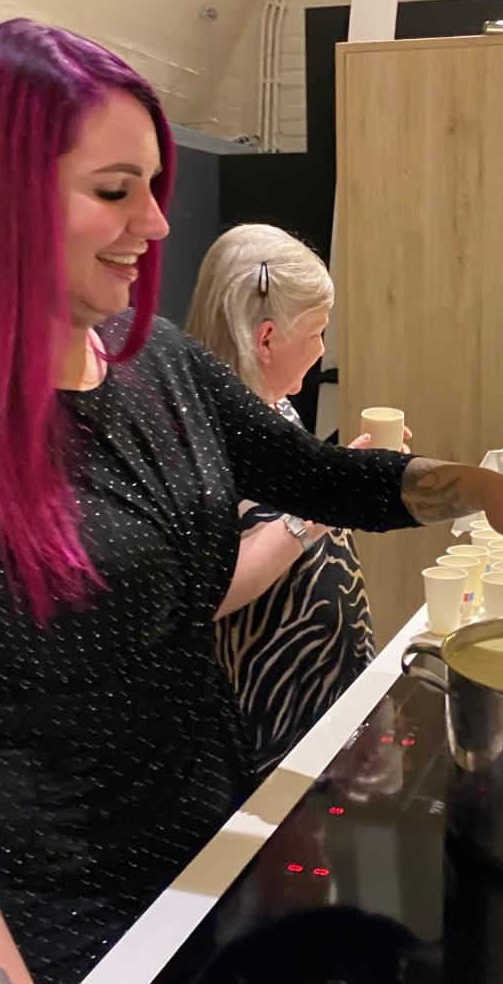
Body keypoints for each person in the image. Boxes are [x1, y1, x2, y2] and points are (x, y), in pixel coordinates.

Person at [0, 18, 503, 984]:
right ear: (3, 196)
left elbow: (321, 477)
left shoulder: (155, 360)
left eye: (155, 186)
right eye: (115, 190)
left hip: (210, 869)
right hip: (60, 929)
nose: (157, 221)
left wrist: (478, 488)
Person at [184, 223, 397, 774]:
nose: (323, 349)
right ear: (267, 340)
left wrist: (350, 478)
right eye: (318, 332)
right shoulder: (200, 431)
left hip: (322, 689)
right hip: (266, 714)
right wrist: (321, 507)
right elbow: (210, 592)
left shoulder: (273, 407)